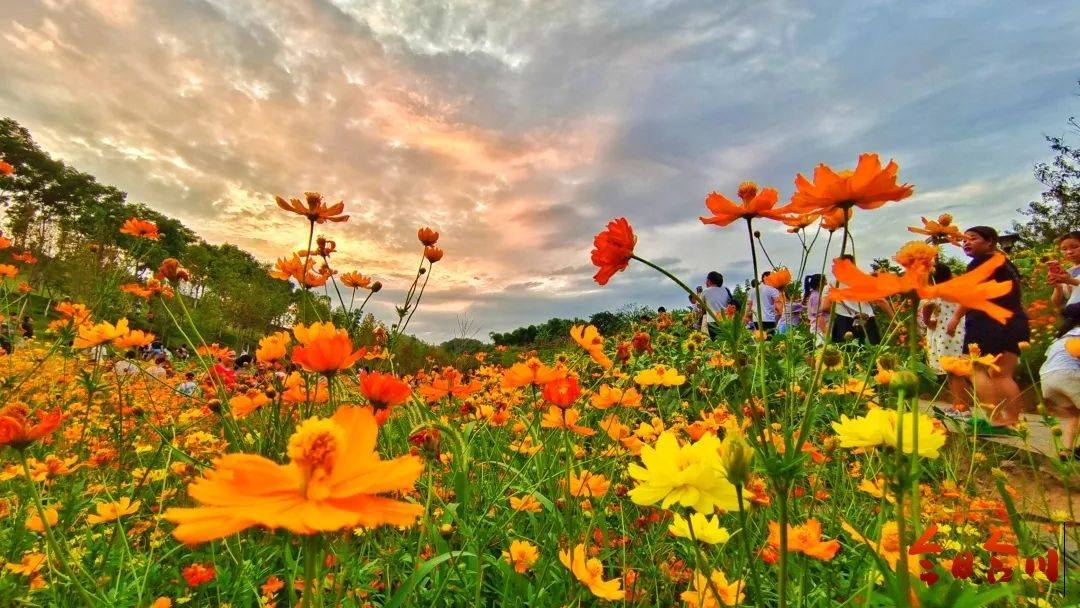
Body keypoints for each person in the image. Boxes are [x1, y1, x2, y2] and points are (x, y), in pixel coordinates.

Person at [946, 226, 1029, 427]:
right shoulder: (1005, 263)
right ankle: (1011, 420)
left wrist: (956, 316)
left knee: (976, 368)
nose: (966, 242)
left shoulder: (981, 263)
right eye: (964, 239)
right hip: (1013, 320)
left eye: (972, 238)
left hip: (988, 322)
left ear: (990, 241)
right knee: (1002, 374)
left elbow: (973, 293)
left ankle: (994, 418)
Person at [919, 263, 968, 409]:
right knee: (956, 371)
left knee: (953, 372)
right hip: (958, 330)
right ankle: (958, 406)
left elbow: (927, 306)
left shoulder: (935, 291)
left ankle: (961, 407)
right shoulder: (955, 289)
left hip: (945, 333)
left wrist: (927, 322)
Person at [1040, 302, 1080, 458]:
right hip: (1068, 375)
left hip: (1047, 379)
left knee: (1073, 414)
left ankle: (1067, 450)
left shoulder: (1060, 337)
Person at [826, 255, 892, 344]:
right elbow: (881, 301)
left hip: (842, 322)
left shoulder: (831, 285)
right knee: (871, 351)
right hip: (866, 320)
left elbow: (825, 307)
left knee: (845, 353)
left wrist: (841, 311)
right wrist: (894, 320)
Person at [1049, 231, 1080, 310]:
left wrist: (1070, 281)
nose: (1069, 252)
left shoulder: (1066, 276)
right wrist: (1057, 287)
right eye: (1064, 249)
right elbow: (1056, 303)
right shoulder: (1067, 272)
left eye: (1075, 247)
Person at [700, 271, 732, 338]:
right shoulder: (726, 289)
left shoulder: (705, 292)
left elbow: (701, 307)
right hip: (726, 320)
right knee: (726, 342)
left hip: (712, 321)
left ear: (709, 280)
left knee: (716, 344)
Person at [803, 274, 827, 344]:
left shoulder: (815, 295)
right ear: (820, 283)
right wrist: (825, 331)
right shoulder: (816, 296)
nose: (826, 283)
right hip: (819, 330)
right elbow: (819, 315)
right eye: (825, 281)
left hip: (817, 329)